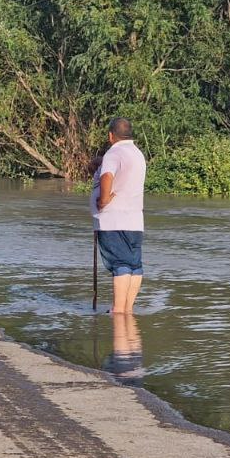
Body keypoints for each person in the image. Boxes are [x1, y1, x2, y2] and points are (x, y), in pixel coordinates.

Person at [92, 116, 146, 314]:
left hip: (113, 220)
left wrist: (103, 199)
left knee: (120, 263)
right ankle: (127, 309)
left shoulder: (113, 153)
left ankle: (118, 309)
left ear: (110, 136)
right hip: (134, 220)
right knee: (134, 264)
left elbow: (108, 176)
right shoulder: (138, 154)